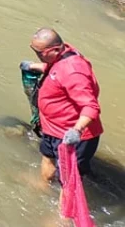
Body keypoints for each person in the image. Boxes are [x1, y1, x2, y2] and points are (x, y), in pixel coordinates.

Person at [21, 28, 102, 185]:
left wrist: (76, 131)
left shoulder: (74, 71)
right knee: (47, 157)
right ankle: (42, 185)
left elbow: (91, 106)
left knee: (68, 180)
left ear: (56, 49)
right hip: (52, 129)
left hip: (71, 135)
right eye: (34, 50)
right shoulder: (60, 56)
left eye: (39, 53)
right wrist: (33, 66)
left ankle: (60, 209)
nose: (37, 55)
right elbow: (56, 71)